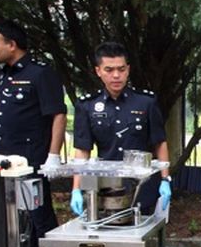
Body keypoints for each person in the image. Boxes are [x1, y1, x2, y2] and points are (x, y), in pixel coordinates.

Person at [0, 20, 67, 247]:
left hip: (29, 162)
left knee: (37, 217)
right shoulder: (4, 75)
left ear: (11, 45)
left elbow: (58, 114)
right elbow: (2, 119)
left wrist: (53, 155)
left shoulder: (40, 73)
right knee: (9, 218)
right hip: (2, 160)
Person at [69, 41, 171, 217]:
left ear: (128, 70)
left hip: (143, 186)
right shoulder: (88, 105)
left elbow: (159, 142)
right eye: (109, 70)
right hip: (106, 188)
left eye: (121, 69)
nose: (116, 75)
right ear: (98, 71)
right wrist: (76, 189)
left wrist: (165, 179)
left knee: (142, 236)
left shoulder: (146, 102)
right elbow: (82, 150)